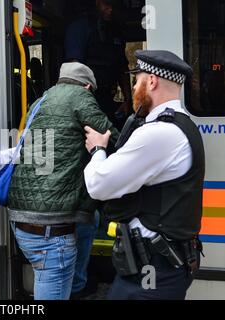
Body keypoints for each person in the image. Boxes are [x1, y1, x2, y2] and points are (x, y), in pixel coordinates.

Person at [83, 50, 205, 300]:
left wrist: (97, 149)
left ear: (151, 81)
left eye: (136, 80)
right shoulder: (183, 124)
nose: (134, 87)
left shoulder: (159, 133)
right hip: (157, 267)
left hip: (151, 273)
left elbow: (98, 184)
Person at [7, 62, 119, 300]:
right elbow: (111, 137)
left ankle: (78, 284)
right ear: (88, 86)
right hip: (50, 226)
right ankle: (79, 285)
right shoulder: (80, 97)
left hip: (22, 216)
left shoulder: (39, 102)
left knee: (91, 219)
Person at [64, 0, 132, 129]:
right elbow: (73, 69)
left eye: (113, 5)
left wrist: (127, 100)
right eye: (106, 4)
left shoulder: (114, 31)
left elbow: (122, 68)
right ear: (96, 3)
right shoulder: (79, 28)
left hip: (108, 96)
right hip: (86, 98)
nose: (110, 9)